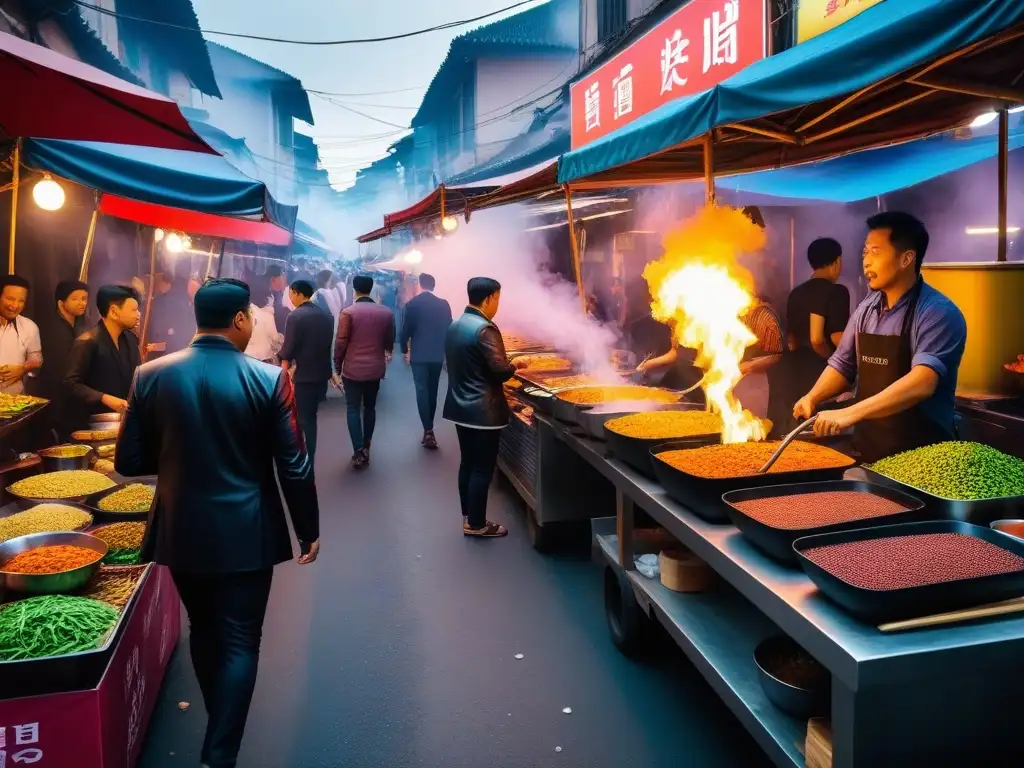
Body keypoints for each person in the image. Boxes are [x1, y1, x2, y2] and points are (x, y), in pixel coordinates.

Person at [115, 278, 319, 768]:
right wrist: (307, 528)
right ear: (241, 320)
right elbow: (293, 465)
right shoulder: (270, 380)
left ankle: (218, 727)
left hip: (181, 528)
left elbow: (128, 460)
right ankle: (219, 753)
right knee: (241, 639)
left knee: (203, 628)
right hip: (248, 530)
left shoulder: (149, 374)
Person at [793, 212, 967, 462]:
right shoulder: (866, 309)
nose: (866, 261)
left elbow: (922, 382)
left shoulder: (938, 313)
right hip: (870, 449)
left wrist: (850, 413)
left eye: (876, 252)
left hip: (924, 456)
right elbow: (843, 364)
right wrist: (813, 397)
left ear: (907, 258)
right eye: (865, 252)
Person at [443, 277, 526, 538]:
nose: (498, 305)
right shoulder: (485, 329)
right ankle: (477, 524)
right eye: (498, 299)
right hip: (483, 411)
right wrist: (516, 364)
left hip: (460, 407)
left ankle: (468, 515)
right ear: (489, 298)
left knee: (467, 463)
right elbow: (499, 371)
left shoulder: (456, 324)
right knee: (482, 468)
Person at [768, 238, 852, 436]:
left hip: (796, 371)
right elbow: (832, 338)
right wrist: (836, 362)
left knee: (799, 426)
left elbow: (792, 340)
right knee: (824, 429)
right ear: (837, 261)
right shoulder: (837, 292)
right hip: (823, 372)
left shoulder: (796, 293)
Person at [334, 274, 395, 469]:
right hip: (375, 369)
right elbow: (389, 340)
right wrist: (386, 351)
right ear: (371, 289)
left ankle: (358, 450)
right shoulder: (386, 313)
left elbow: (341, 342)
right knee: (370, 407)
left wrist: (337, 366)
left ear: (354, 290)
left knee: (352, 408)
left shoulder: (348, 312)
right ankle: (367, 445)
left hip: (352, 369)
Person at [279, 280, 334, 464]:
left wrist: (283, 375)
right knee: (311, 417)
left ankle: (304, 457)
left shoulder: (295, 317)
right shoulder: (326, 316)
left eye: (291, 294)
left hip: (303, 375)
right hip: (321, 375)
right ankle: (310, 453)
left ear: (296, 293)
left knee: (302, 419)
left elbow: (288, 350)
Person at [65, 285, 141, 417]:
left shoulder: (131, 339)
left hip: (126, 418)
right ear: (114, 312)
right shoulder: (87, 341)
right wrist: (104, 398)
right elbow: (71, 384)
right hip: (95, 420)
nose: (138, 315)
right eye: (134, 310)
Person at [399, 273, 453, 449]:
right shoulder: (444, 304)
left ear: (420, 285)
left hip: (419, 355)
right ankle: (429, 428)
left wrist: (404, 350)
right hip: (437, 354)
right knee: (433, 390)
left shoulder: (412, 304)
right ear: (434, 285)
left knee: (421, 390)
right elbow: (449, 327)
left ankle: (428, 429)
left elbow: (405, 329)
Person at [38, 280, 90, 439]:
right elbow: (61, 370)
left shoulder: (81, 325)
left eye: (84, 298)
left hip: (74, 397)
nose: (81, 303)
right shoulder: (55, 330)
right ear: (61, 303)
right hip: (60, 400)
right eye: (75, 299)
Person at [0, 275, 42, 395]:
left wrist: (23, 368)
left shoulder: (30, 327)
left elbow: (37, 360)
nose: (15, 305)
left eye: (21, 301)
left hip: (15, 403)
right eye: (10, 298)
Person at [244, 297, 283, 364]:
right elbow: (275, 337)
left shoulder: (243, 314)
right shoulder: (267, 315)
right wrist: (282, 338)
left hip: (246, 356)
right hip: (264, 357)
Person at [267, 265, 290, 335]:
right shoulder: (266, 297)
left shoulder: (280, 293)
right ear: (273, 279)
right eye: (282, 277)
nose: (284, 280)